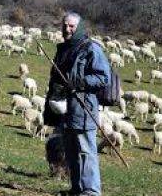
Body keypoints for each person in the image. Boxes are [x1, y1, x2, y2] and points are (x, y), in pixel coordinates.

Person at [44, 11, 111, 196]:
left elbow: (103, 77)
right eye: (64, 25)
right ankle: (77, 189)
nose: (67, 29)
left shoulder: (91, 48)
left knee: (86, 151)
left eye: (71, 26)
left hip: (83, 108)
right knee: (71, 151)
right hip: (64, 108)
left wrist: (78, 82)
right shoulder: (63, 49)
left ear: (79, 27)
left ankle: (91, 191)